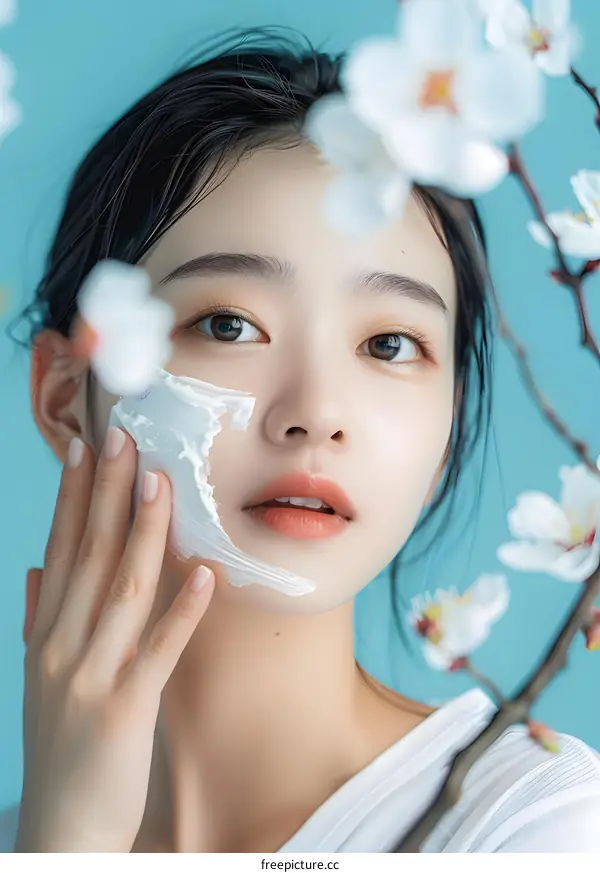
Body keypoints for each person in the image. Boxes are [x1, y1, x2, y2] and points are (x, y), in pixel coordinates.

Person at [2, 28, 600, 854]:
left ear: (448, 422)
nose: (317, 413)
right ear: (68, 396)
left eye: (390, 345)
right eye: (229, 323)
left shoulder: (534, 827)